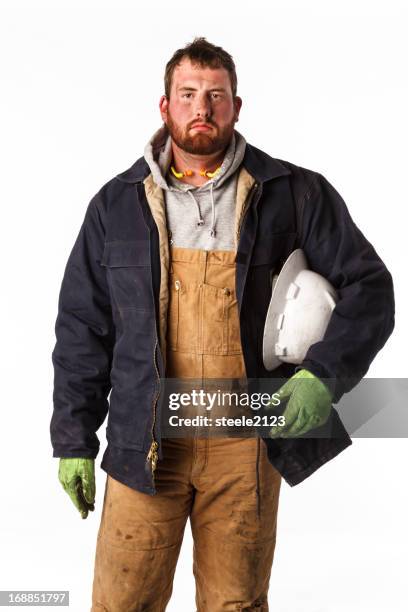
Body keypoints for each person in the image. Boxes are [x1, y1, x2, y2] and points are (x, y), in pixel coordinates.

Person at [51, 37, 395, 611]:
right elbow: (82, 329)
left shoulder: (293, 194)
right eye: (187, 95)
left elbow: (372, 289)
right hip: (146, 444)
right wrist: (73, 440)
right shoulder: (116, 206)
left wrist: (322, 376)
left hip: (246, 444)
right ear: (165, 107)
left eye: (216, 96)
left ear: (237, 107)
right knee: (122, 602)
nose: (201, 109)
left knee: (236, 604)